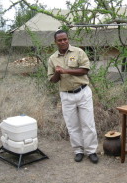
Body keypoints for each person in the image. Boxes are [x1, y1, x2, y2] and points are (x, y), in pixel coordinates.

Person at [47, 29, 99, 164]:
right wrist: (58, 73)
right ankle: (78, 151)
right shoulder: (52, 59)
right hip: (66, 95)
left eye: (65, 39)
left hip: (83, 92)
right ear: (55, 42)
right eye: (60, 40)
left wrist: (65, 70)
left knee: (88, 124)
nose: (63, 42)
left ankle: (91, 151)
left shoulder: (78, 52)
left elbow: (85, 70)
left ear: (68, 39)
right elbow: (52, 80)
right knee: (72, 125)